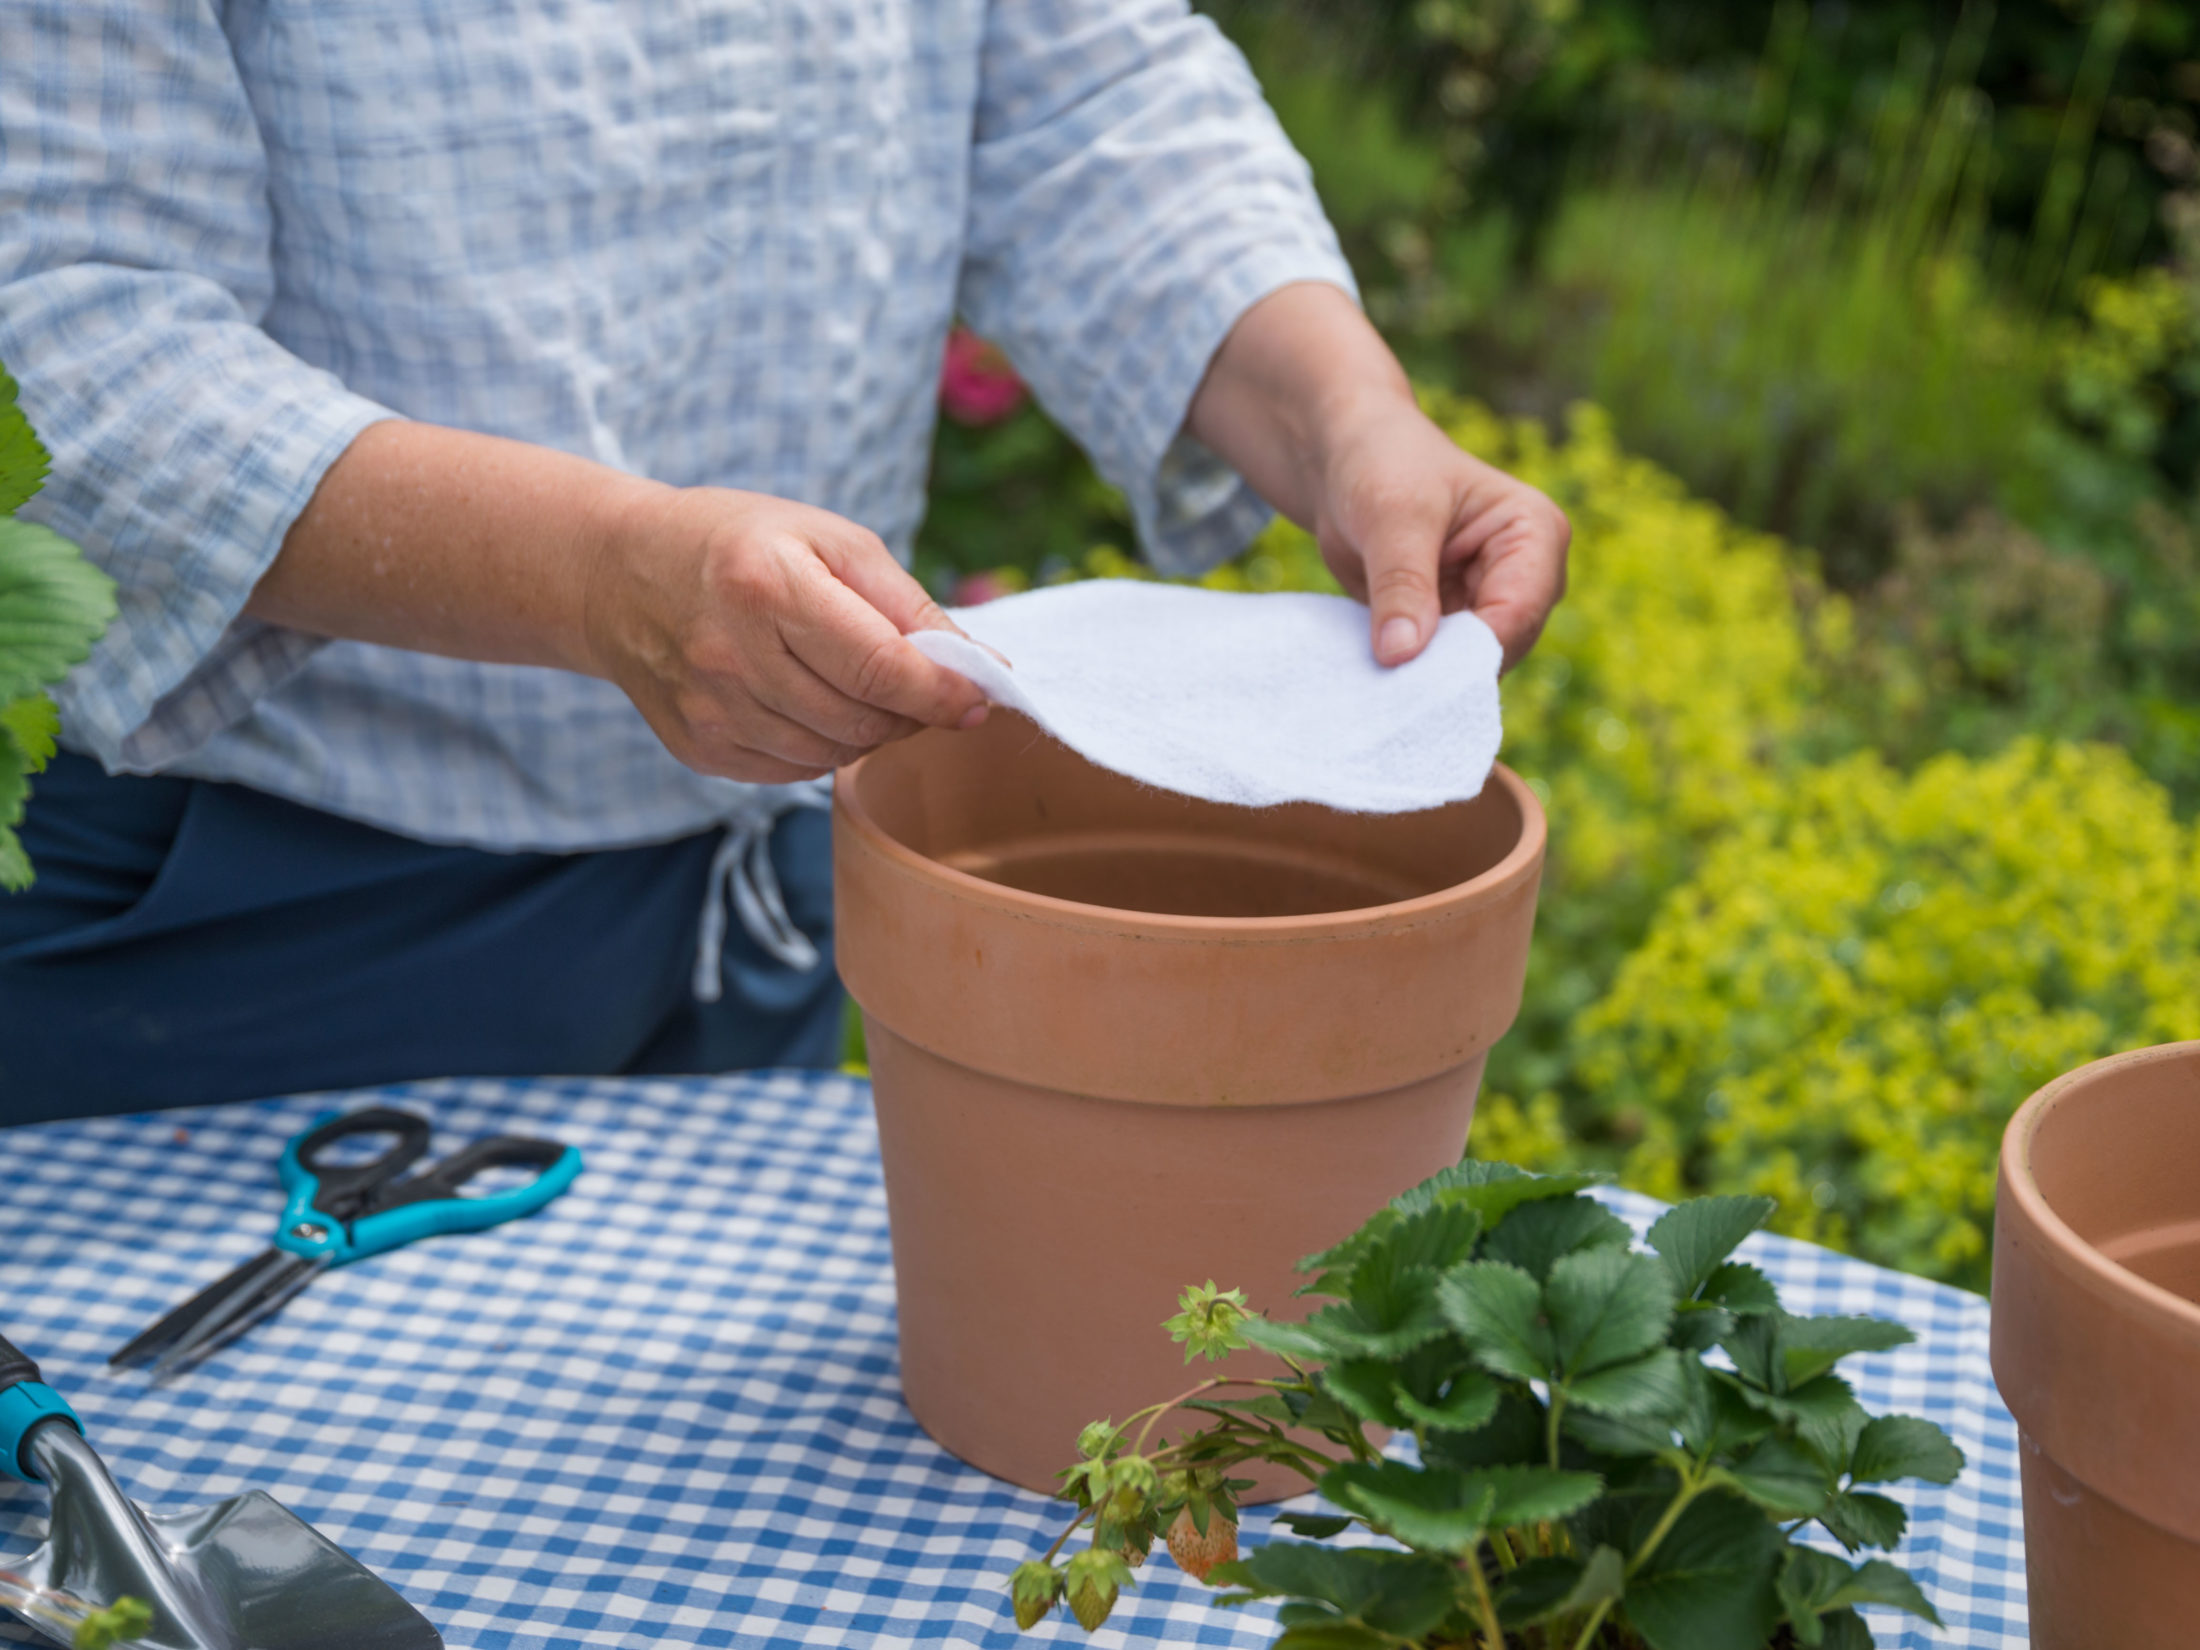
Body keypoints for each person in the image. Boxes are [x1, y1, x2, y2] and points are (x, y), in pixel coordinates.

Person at [0, 1, 1570, 1125]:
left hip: (759, 898)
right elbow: (71, 336)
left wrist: (1351, 418)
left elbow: (1086, 100)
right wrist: (599, 575)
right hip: (237, 931)